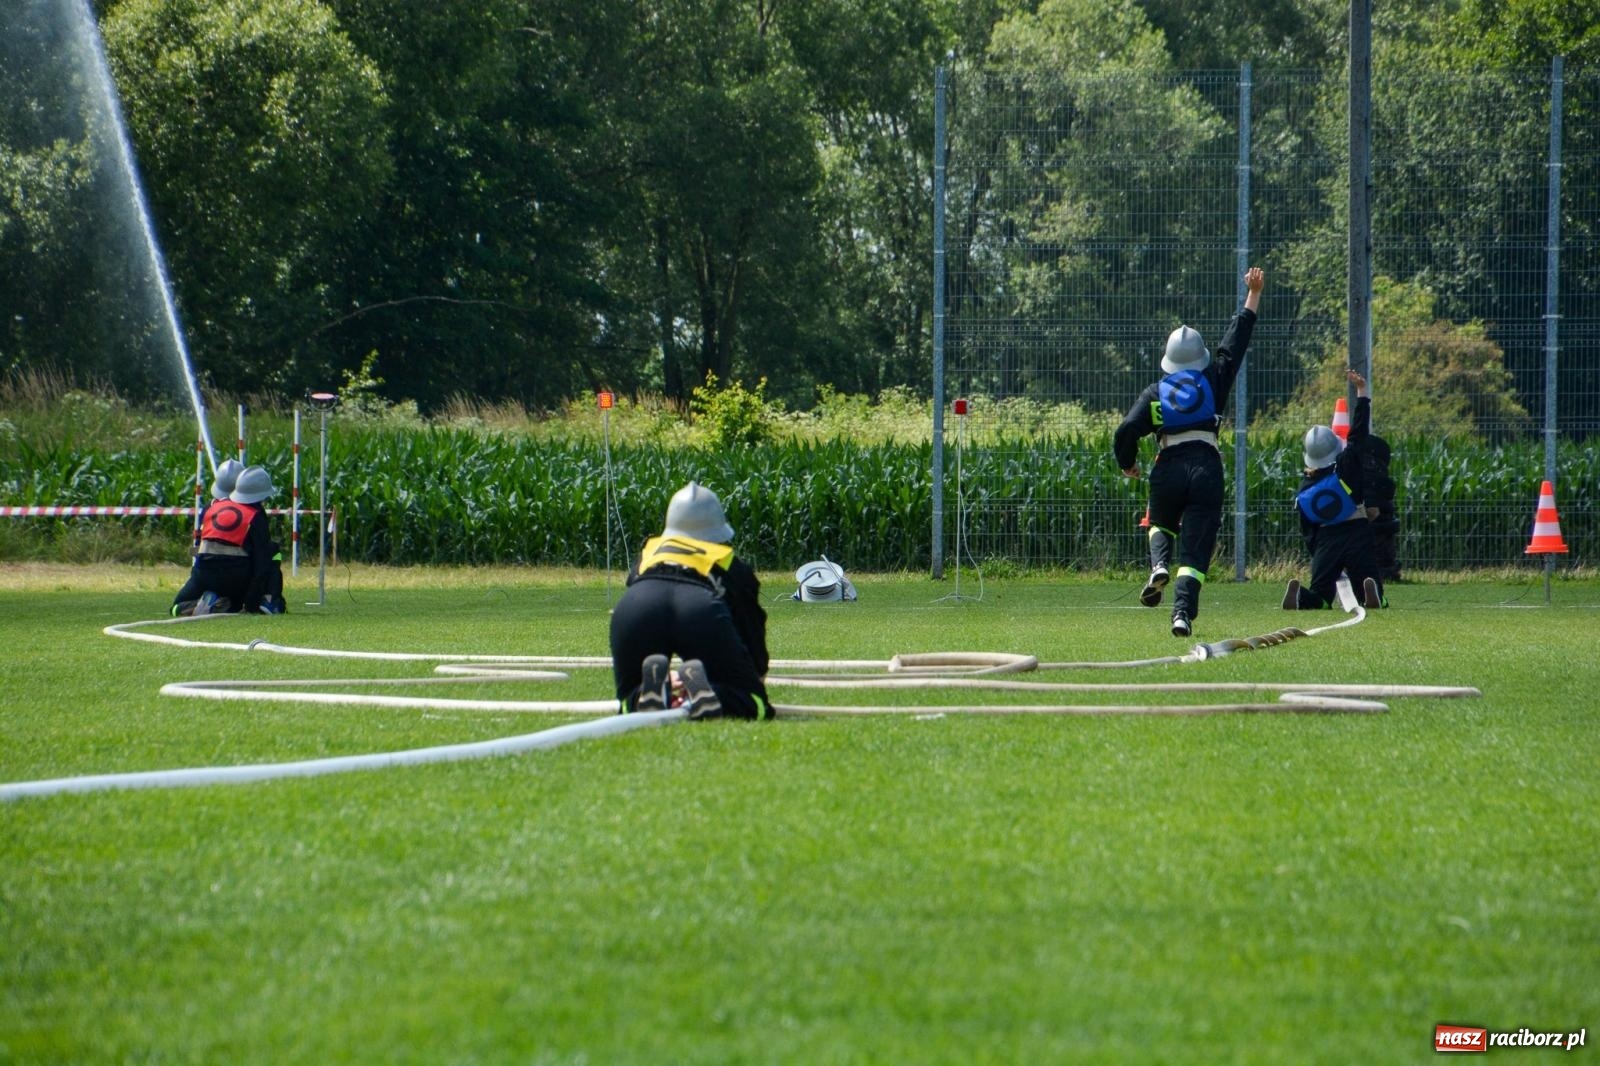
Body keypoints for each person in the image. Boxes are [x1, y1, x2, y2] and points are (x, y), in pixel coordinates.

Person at [1114, 266, 1265, 637]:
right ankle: (1181, 614)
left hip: (1168, 465)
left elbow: (1126, 431)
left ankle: (1158, 565)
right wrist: (1254, 293)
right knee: (1196, 552)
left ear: (1168, 361)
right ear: (1200, 359)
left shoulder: (1155, 393)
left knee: (1159, 522)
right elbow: (1236, 340)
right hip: (1206, 468)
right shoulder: (1214, 380)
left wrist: (1128, 462)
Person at [609, 482, 770, 720]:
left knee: (626, 701)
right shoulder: (729, 564)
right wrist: (749, 680)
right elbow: (753, 641)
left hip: (638, 602)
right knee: (754, 703)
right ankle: (713, 695)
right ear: (718, 531)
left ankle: (644, 695)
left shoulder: (646, 556)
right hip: (698, 607)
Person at [1283, 370, 1385, 612]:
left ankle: (1303, 598)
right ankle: (1370, 591)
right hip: (1357, 532)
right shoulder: (1347, 465)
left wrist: (1319, 554)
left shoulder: (1306, 486)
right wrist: (1362, 393)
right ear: (1334, 449)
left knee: (1321, 593)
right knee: (1370, 584)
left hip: (1326, 539)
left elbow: (1307, 529)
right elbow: (1358, 433)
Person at [172, 464, 286, 616]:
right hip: (237, 575)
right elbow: (261, 559)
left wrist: (196, 576)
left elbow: (199, 545)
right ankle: (270, 600)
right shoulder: (254, 513)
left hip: (204, 572)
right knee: (273, 552)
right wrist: (253, 598)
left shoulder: (210, 507)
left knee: (176, 607)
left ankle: (208, 604)